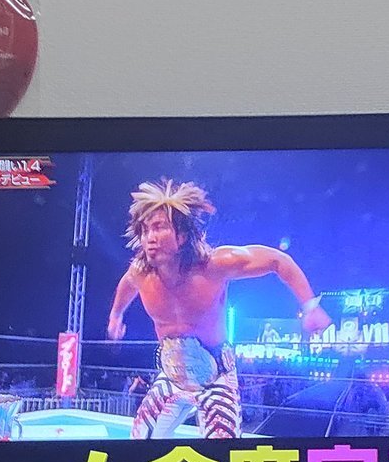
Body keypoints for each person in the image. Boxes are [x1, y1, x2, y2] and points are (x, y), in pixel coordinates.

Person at [107, 180, 330, 439]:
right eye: (145, 230)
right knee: (139, 442)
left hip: (216, 377)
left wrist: (310, 306)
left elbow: (278, 260)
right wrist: (116, 315)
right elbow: (126, 285)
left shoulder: (214, 265)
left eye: (158, 227)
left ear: (182, 235)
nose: (149, 238)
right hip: (171, 376)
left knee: (221, 452)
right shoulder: (140, 273)